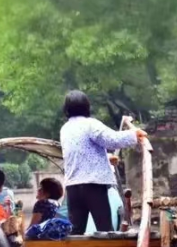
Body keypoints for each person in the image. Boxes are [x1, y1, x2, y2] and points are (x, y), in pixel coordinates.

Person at [59, 90, 147, 235]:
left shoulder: (65, 129)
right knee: (105, 229)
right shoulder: (90, 124)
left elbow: (82, 152)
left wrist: (107, 157)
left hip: (73, 186)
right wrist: (134, 135)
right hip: (93, 185)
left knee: (76, 232)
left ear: (66, 109)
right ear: (86, 106)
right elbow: (111, 140)